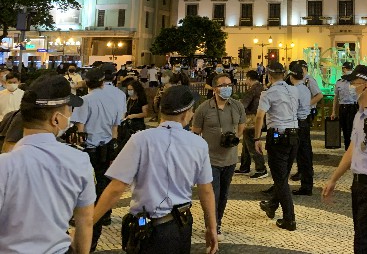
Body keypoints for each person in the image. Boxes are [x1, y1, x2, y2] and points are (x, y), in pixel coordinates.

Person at [92, 84, 218, 254]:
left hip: (146, 228)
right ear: (186, 113)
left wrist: (88, 223)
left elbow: (116, 188)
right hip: (181, 226)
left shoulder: (140, 140)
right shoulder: (199, 144)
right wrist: (211, 227)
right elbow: (206, 190)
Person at [0, 74, 94, 254]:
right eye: (69, 109)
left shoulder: (4, 165)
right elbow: (85, 221)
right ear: (56, 119)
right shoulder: (79, 161)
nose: (71, 114)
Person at [322, 65, 367, 254]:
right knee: (365, 238)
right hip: (359, 186)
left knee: (366, 244)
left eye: (353, 84)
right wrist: (333, 179)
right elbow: (352, 150)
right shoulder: (360, 114)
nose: (350, 88)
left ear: (365, 86)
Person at [70, 67, 126, 250]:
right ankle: (101, 214)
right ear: (103, 82)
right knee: (102, 183)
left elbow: (80, 128)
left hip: (89, 149)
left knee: (84, 185)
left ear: (87, 83)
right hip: (108, 147)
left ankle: (84, 216)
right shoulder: (115, 98)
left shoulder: (84, 101)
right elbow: (116, 128)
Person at [193, 73, 245, 239]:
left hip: (230, 159)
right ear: (215, 88)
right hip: (210, 160)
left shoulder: (237, 106)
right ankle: (211, 226)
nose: (227, 88)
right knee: (212, 194)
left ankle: (218, 223)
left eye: (229, 84)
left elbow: (242, 125)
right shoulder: (204, 108)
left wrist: (234, 137)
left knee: (223, 194)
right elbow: (195, 133)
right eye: (223, 85)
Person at [254, 62, 300, 231]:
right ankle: (272, 205)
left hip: (278, 138)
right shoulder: (294, 90)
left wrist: (257, 138)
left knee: (280, 180)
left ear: (269, 76)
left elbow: (260, 117)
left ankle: (290, 219)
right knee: (283, 176)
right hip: (295, 135)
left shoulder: (268, 93)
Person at [291, 60, 323, 182]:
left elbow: (319, 95)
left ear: (304, 68)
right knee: (301, 147)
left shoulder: (309, 80)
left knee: (304, 147)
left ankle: (305, 170)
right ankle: (302, 170)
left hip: (305, 115)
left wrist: (307, 105)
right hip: (303, 114)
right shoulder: (301, 82)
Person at [286, 61, 314, 196]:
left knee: (291, 155)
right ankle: (307, 184)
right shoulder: (305, 89)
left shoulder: (293, 90)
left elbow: (291, 109)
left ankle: (282, 186)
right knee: (305, 155)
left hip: (297, 124)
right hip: (305, 122)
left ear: (291, 76)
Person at [237, 70, 268, 178]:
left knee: (252, 144)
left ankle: (261, 168)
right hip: (260, 118)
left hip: (251, 119)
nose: (246, 81)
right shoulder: (262, 88)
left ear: (249, 78)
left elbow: (244, 104)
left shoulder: (252, 90)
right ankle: (244, 166)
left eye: (246, 79)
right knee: (246, 144)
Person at [331, 62, 358, 150]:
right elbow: (336, 97)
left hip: (353, 107)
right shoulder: (339, 82)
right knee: (345, 131)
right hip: (343, 107)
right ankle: (348, 150)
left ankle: (353, 150)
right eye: (347, 69)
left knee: (353, 131)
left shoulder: (356, 81)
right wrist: (334, 112)